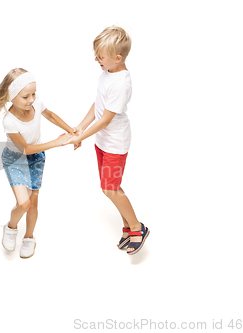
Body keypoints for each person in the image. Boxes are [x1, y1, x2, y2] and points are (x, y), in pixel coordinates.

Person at [0, 68, 74, 258]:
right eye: (25, 96)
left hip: (36, 158)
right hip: (16, 159)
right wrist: (56, 142)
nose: (31, 99)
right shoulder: (9, 121)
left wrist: (71, 130)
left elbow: (51, 115)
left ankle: (29, 237)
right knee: (22, 204)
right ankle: (11, 227)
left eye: (33, 93)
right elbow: (24, 149)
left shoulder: (36, 103)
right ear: (11, 97)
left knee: (33, 203)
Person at [63, 25, 150, 255]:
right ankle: (128, 227)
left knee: (109, 188)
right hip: (102, 141)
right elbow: (98, 105)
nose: (96, 60)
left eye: (100, 57)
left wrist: (81, 136)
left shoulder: (121, 83)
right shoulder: (107, 73)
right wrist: (80, 126)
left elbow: (105, 120)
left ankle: (137, 228)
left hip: (114, 143)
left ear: (117, 58)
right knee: (112, 187)